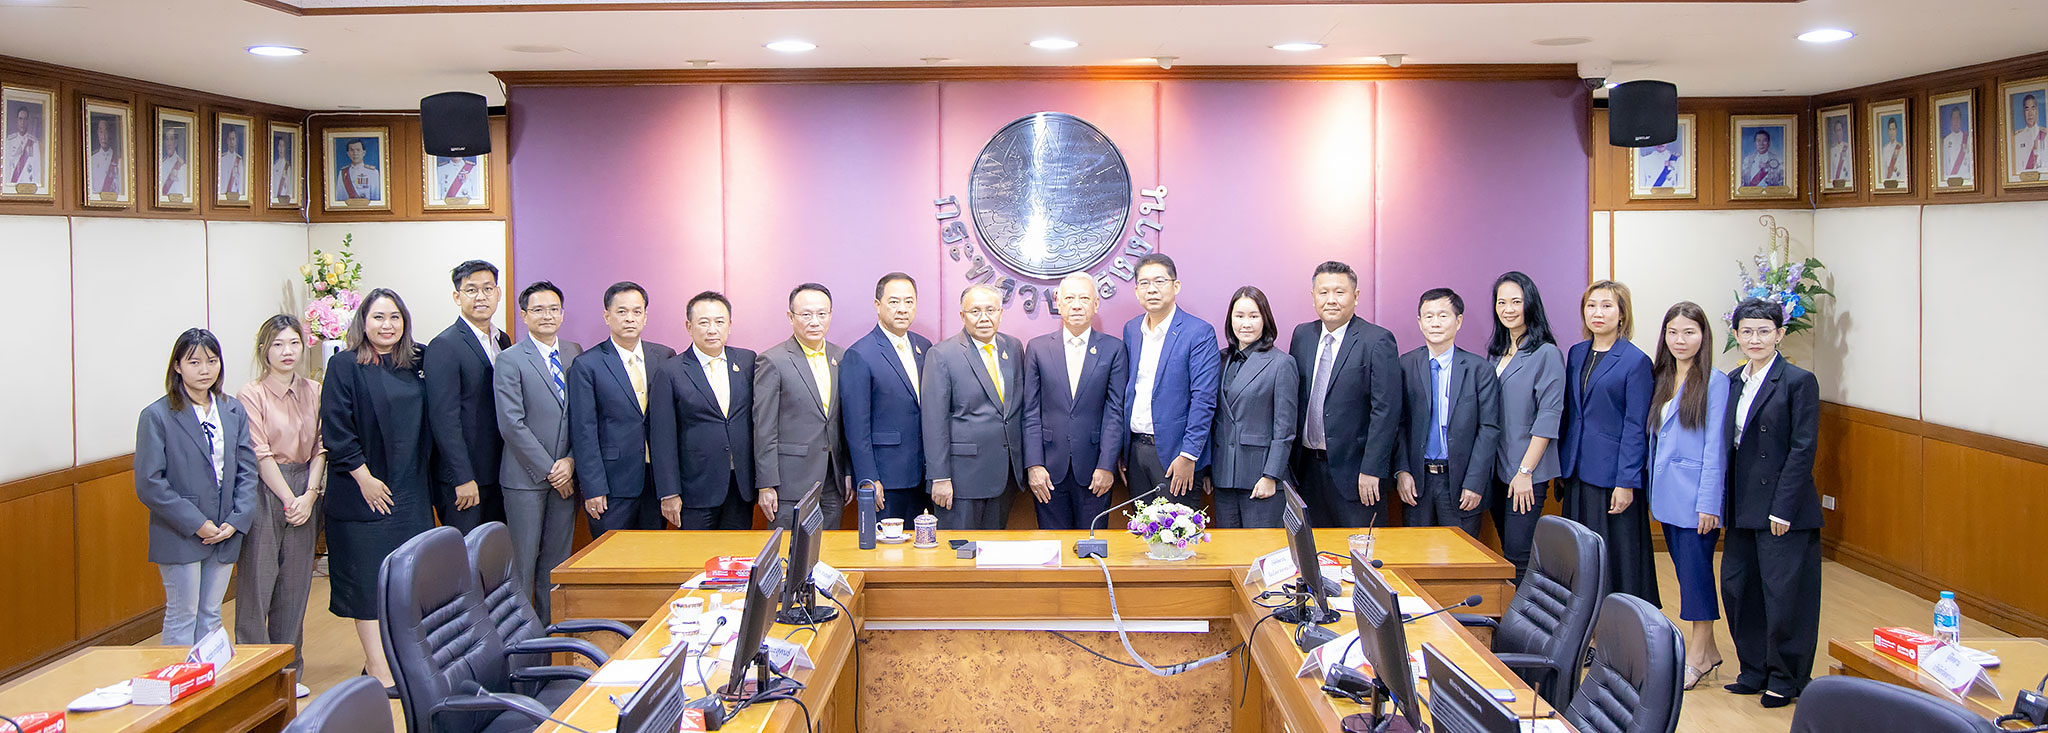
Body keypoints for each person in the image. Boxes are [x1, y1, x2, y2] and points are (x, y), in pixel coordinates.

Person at [321, 288, 436, 691]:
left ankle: (402, 661)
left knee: (407, 582)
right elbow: (336, 428)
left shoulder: (418, 361)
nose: (387, 325)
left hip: (410, 490)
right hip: (362, 491)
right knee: (368, 584)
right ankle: (377, 667)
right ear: (363, 322)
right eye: (378, 317)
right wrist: (364, 477)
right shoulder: (345, 365)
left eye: (394, 318)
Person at [1720, 297, 1824, 709]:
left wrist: (1783, 507)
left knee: (1785, 595)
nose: (1755, 338)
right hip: (1741, 503)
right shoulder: (1732, 380)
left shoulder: (1798, 381)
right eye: (1747, 331)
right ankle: (1754, 669)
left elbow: (1803, 449)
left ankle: (1786, 677)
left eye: (1764, 331)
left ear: (1779, 334)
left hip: (1783, 508)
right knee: (1739, 588)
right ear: (1736, 335)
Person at [135, 328, 257, 648]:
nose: (205, 370)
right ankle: (178, 681)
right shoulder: (157, 415)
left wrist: (236, 520)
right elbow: (149, 483)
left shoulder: (232, 410)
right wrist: (197, 523)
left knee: (211, 615)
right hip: (180, 532)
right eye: (194, 362)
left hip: (226, 529)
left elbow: (248, 470)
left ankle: (209, 679)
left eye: (212, 361)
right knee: (183, 615)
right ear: (177, 366)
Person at [233, 316, 323, 698]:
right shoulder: (251, 394)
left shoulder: (314, 390)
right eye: (278, 344)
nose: (287, 352)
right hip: (265, 489)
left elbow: (321, 447)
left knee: (295, 586)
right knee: (258, 583)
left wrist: (310, 495)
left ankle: (288, 673)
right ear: (263, 350)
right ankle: (254, 675)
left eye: (293, 343)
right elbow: (260, 453)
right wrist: (289, 498)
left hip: (307, 487)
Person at [1645, 301, 1730, 691]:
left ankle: (1697, 654)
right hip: (1666, 496)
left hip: (1696, 499)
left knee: (1696, 576)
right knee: (1684, 573)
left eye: (1689, 332)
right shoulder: (1662, 376)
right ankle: (1709, 651)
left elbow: (1715, 448)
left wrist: (1709, 503)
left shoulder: (1714, 381)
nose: (1680, 340)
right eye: (1673, 332)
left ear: (1703, 336)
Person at [1561, 280, 1659, 606]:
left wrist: (1626, 481)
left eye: (1606, 306)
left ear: (1622, 314)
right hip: (1577, 470)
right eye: (1591, 306)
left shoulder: (1635, 361)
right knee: (1581, 555)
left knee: (1615, 558)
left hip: (1613, 477)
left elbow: (1635, 426)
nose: (1597, 313)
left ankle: (1619, 623)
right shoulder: (1576, 353)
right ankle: (1583, 622)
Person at [494, 281, 581, 621]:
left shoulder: (574, 352)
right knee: (523, 564)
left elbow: (583, 416)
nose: (547, 315)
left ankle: (551, 634)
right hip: (525, 480)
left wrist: (570, 461)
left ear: (563, 313)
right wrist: (551, 470)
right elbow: (511, 424)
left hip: (567, 476)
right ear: (524, 315)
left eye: (553, 309)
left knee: (557, 563)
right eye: (538, 309)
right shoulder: (510, 359)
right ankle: (521, 637)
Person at [1290, 260, 1400, 527]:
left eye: (1339, 292)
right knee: (1313, 548)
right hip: (1307, 470)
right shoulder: (1302, 335)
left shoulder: (1377, 340)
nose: (1331, 300)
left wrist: (1372, 468)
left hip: (1356, 473)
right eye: (1323, 292)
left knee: (1358, 548)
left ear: (1356, 296)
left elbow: (1386, 411)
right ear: (1313, 296)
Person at [568, 281, 675, 535]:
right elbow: (584, 431)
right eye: (622, 311)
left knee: (653, 553)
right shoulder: (587, 364)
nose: (630, 318)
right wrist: (593, 488)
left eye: (637, 312)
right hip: (611, 484)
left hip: (656, 482)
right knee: (611, 555)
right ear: (607, 316)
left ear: (645, 316)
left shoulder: (665, 357)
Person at [1022, 273, 1128, 530]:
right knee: (1053, 546)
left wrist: (1107, 465)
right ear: (1058, 303)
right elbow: (1030, 411)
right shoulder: (1037, 348)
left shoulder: (1114, 349)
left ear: (1096, 304)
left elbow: (1115, 412)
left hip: (1095, 471)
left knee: (1092, 545)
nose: (1077, 305)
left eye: (1084, 298)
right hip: (1048, 471)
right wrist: (1034, 465)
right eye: (1069, 298)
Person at [1393, 288, 1501, 538]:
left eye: (1443, 315)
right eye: (1428, 316)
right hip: (1417, 481)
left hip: (1461, 483)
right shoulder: (1404, 365)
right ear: (1420, 322)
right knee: (1416, 553)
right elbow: (1397, 424)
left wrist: (1475, 482)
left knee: (1461, 555)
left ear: (1458, 321)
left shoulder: (1479, 369)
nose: (1435, 323)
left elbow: (1489, 429)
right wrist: (1402, 471)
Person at [650, 291, 757, 530]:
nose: (712, 330)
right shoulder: (670, 371)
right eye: (703, 322)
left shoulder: (747, 361)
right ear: (689, 326)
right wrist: (669, 492)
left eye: (719, 322)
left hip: (740, 486)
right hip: (695, 488)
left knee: (738, 551)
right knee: (696, 552)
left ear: (730, 325)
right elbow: (662, 438)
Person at [923, 285, 1026, 530]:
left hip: (1005, 475)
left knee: (994, 549)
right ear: (962, 316)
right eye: (975, 311)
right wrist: (940, 477)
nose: (984, 318)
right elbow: (933, 421)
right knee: (958, 549)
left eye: (991, 310)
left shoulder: (1013, 348)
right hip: (962, 479)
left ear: (1000, 313)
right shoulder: (942, 354)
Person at [1123, 253, 1220, 510]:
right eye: (1144, 283)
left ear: (1175, 286)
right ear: (1136, 291)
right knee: (1140, 527)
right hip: (1136, 451)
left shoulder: (1198, 333)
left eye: (1160, 281)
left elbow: (1204, 399)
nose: (1152, 289)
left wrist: (1189, 455)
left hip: (1176, 455)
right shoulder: (1132, 330)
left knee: (1175, 530)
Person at [1485, 272, 1566, 583]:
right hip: (1497, 469)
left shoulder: (1546, 353)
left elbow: (1548, 416)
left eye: (1516, 302)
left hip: (1526, 472)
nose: (1508, 309)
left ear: (1530, 304)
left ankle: (1524, 615)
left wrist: (1525, 472)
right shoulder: (1496, 353)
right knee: (1507, 548)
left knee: (1518, 555)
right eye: (1501, 302)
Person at [755, 283, 850, 528]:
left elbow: (846, 423)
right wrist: (766, 484)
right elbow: (764, 428)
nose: (815, 321)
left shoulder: (841, 357)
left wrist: (848, 472)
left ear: (830, 315)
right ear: (791, 317)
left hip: (833, 479)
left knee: (831, 547)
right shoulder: (772, 361)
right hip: (790, 483)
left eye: (822, 314)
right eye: (806, 314)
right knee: (790, 548)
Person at [425, 260, 511, 532]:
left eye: (488, 289)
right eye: (471, 290)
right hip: (465, 479)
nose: (481, 297)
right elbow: (444, 418)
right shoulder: (444, 345)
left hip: (498, 472)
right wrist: (462, 477)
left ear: (498, 293)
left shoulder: (502, 340)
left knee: (495, 550)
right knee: (466, 552)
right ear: (457, 296)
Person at [841, 273, 933, 522]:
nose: (902, 309)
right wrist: (868, 478)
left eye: (909, 302)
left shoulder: (925, 347)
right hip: (886, 478)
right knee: (886, 545)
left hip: (924, 476)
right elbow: (856, 427)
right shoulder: (860, 354)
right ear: (877, 305)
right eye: (894, 302)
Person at [1202, 286, 1296, 529]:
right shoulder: (1219, 359)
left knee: (1261, 549)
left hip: (1260, 477)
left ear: (1265, 320)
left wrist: (1270, 476)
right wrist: (1208, 470)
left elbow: (1285, 429)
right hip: (1223, 477)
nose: (1246, 323)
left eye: (1254, 316)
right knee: (1228, 549)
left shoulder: (1281, 363)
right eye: (1239, 316)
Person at [6, 103, 40, 187]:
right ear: (17, 120)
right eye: (20, 119)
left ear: (28, 121)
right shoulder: (9, 141)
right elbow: (6, 167)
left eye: (25, 119)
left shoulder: (34, 142)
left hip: (28, 186)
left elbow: (37, 170)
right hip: (13, 185)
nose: (22, 122)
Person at [88, 116, 121, 198]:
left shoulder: (119, 160)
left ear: (111, 133)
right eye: (101, 132)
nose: (103, 136)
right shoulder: (92, 160)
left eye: (106, 132)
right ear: (97, 133)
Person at [2013, 93, 2046, 176]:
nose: (2030, 113)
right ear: (2023, 112)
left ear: (2037, 111)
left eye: (2033, 108)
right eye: (2027, 109)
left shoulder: (2045, 135)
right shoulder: (2017, 138)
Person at [1940, 104, 1973, 182]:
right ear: (1951, 121)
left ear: (1960, 120)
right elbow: (1945, 164)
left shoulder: (1968, 138)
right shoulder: (1946, 140)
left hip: (1965, 178)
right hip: (1950, 178)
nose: (1956, 121)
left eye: (1957, 118)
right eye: (1954, 119)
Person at [159, 124, 189, 200]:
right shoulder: (160, 165)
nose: (169, 143)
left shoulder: (183, 165)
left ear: (175, 142)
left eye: (171, 139)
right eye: (167, 139)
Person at [218, 126, 245, 198]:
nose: (232, 142)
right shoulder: (222, 159)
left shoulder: (239, 160)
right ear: (227, 141)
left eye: (233, 139)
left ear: (236, 141)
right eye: (230, 139)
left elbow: (241, 182)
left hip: (234, 196)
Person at [1878, 117, 1905, 183]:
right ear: (1888, 131)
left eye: (1893, 129)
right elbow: (1883, 170)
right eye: (1890, 129)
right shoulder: (1885, 149)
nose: (1892, 132)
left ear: (1896, 130)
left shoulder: (1901, 148)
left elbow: (1903, 170)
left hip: (1898, 181)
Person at [1826, 118, 1852, 183]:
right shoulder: (1832, 150)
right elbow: (1832, 171)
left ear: (1842, 131)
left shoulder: (1848, 147)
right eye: (1836, 131)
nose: (1838, 133)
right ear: (1835, 133)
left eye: (1840, 130)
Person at [271, 133, 294, 203]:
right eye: (280, 145)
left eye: (283, 146)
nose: (281, 148)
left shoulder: (287, 167)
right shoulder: (274, 165)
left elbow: (289, 189)